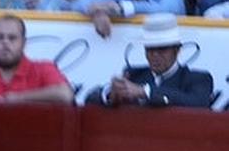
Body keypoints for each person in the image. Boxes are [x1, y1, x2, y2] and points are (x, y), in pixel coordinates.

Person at [84, 12, 213, 107]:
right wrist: (110, 93)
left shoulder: (198, 79)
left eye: (162, 49)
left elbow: (197, 102)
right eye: (150, 49)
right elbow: (90, 99)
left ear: (177, 50)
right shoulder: (134, 74)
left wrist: (145, 92)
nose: (155, 55)